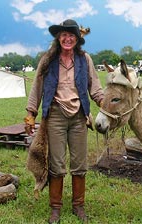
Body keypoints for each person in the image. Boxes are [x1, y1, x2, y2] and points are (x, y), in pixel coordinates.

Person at [24, 19, 104, 223]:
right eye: (64, 35)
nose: (67, 39)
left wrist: (104, 103)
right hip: (55, 116)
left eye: (71, 35)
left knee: (79, 164)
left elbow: (94, 87)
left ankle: (78, 206)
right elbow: (37, 87)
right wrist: (31, 113)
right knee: (56, 164)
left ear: (77, 39)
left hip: (79, 116)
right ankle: (55, 209)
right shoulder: (48, 60)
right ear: (58, 38)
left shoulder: (85, 59)